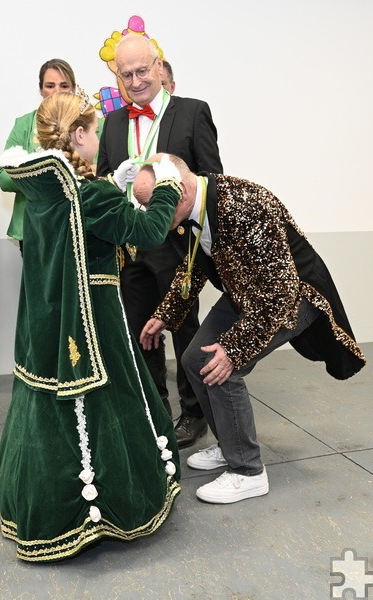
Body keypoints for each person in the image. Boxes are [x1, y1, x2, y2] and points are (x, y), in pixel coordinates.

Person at [0, 92, 183, 561]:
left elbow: (83, 230)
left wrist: (113, 189)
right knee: (107, 400)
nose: (99, 138)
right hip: (94, 315)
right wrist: (166, 185)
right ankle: (99, 509)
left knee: (50, 406)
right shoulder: (90, 194)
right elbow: (148, 230)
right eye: (94, 131)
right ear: (78, 135)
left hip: (48, 316)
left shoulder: (46, 190)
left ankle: (38, 504)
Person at [136, 155, 366, 504]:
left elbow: (280, 291)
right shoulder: (191, 210)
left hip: (292, 294)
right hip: (247, 290)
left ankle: (248, 471)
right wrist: (166, 314)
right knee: (195, 358)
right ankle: (231, 445)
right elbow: (195, 265)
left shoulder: (244, 206)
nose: (147, 216)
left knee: (219, 365)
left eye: (151, 205)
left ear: (178, 192)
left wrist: (234, 347)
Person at [97, 33, 224, 450]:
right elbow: (103, 182)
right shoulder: (112, 123)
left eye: (141, 70)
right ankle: (154, 410)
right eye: (126, 74)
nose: (135, 81)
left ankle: (194, 412)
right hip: (131, 250)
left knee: (187, 332)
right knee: (141, 334)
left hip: (179, 249)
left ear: (158, 66)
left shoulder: (191, 112)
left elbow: (212, 179)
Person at [0, 58, 76, 255]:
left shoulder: (92, 124)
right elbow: (4, 178)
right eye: (50, 85)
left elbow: (97, 172)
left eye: (64, 85)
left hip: (76, 228)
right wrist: (49, 177)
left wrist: (31, 173)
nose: (57, 91)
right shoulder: (24, 124)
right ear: (41, 90)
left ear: (73, 89)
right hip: (33, 228)